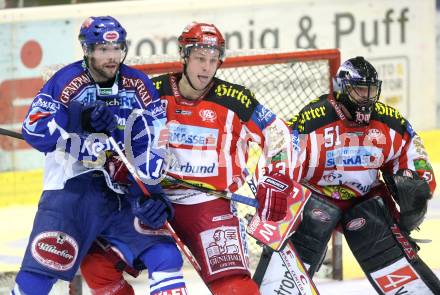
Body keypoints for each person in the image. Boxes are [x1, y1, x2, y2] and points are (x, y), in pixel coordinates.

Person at [78, 21, 292, 294]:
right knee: (96, 263)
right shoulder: (150, 92)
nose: (207, 67)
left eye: (213, 60)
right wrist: (130, 181)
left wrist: (277, 177)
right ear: (184, 56)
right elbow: (120, 139)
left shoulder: (236, 99)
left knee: (234, 288)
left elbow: (279, 134)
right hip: (152, 200)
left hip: (208, 205)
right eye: (200, 59)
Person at [13, 16, 187, 295]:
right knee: (38, 280)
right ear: (87, 49)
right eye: (103, 49)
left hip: (122, 194)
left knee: (165, 256)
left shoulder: (138, 84)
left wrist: (154, 193)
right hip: (71, 194)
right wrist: (77, 121)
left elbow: (154, 143)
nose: (111, 56)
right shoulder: (66, 81)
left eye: (116, 48)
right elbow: (34, 130)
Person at [254, 56, 440, 294]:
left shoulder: (388, 120)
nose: (367, 98)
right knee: (305, 233)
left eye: (371, 91)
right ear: (342, 89)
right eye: (360, 90)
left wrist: (417, 187)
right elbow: (284, 155)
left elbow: (413, 154)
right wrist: (274, 205)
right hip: (316, 197)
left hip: (364, 200)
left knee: (387, 245)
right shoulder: (314, 119)